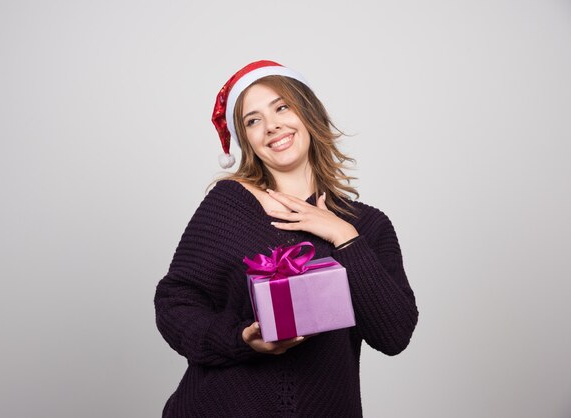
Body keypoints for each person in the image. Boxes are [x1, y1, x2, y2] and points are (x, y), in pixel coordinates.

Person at [154, 60, 418, 417]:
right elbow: (175, 302)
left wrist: (343, 236)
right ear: (246, 140)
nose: (272, 125)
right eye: (253, 120)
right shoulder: (230, 204)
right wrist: (240, 339)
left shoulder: (368, 226)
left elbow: (394, 335)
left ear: (307, 112)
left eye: (281, 107)